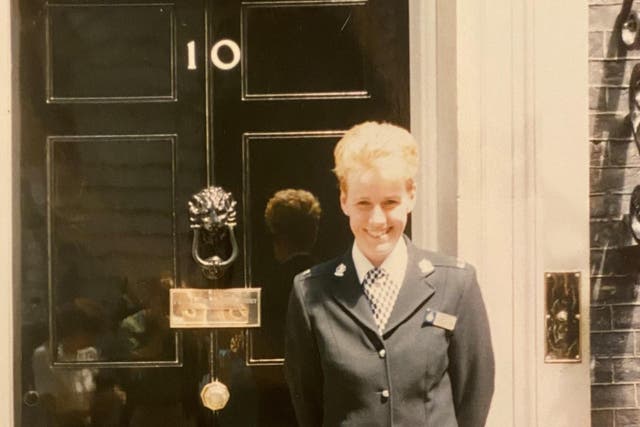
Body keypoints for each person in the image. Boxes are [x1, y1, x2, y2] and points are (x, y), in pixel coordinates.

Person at [284, 121, 495, 427]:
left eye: (390, 202)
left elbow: (474, 395)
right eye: (363, 203)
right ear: (344, 200)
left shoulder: (456, 284)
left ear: (410, 196)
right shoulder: (311, 293)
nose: (377, 219)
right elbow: (308, 402)